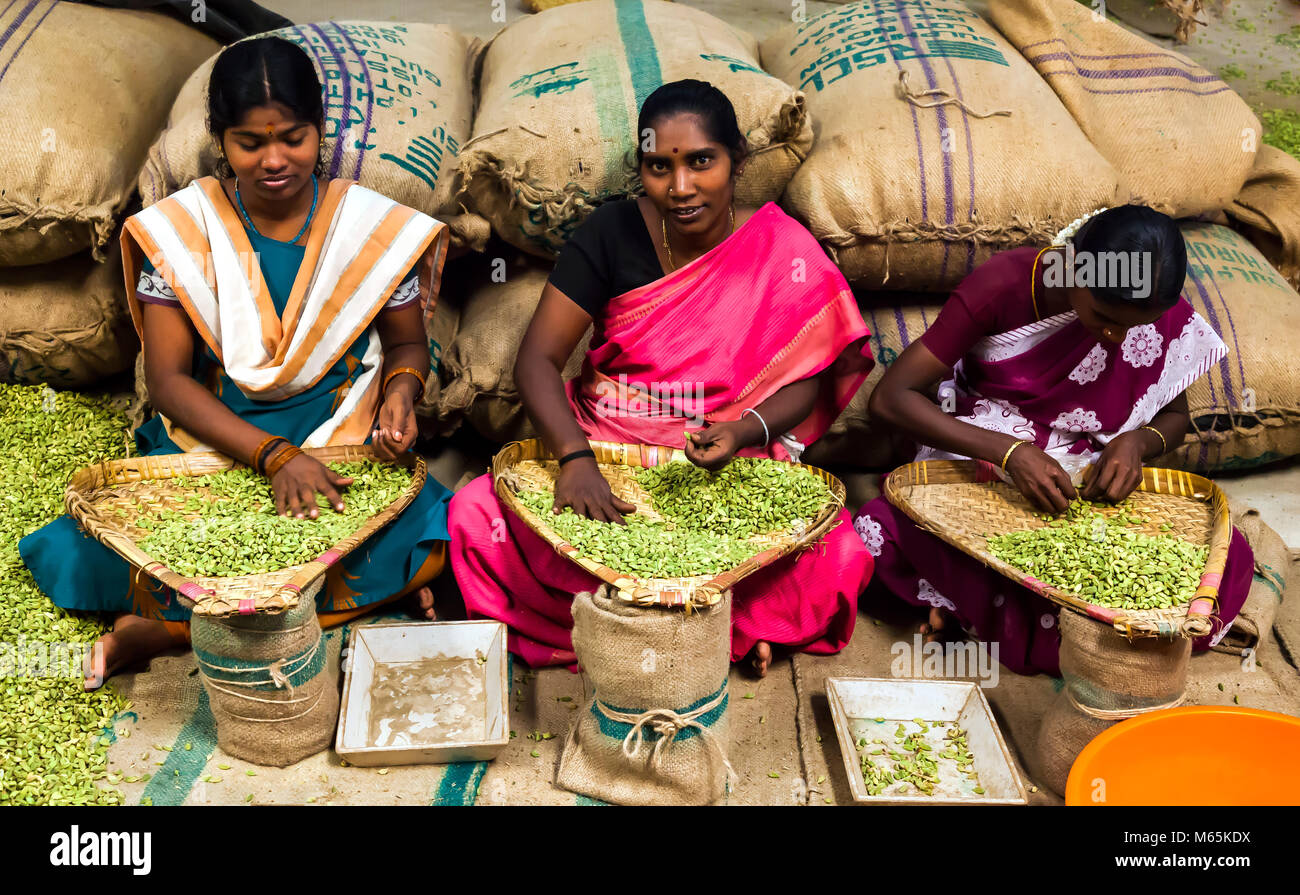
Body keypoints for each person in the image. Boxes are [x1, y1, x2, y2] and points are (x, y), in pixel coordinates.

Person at [20, 37, 454, 688]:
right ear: (221, 140)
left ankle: (165, 627)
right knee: (86, 551)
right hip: (214, 435)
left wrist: (400, 392)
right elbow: (168, 382)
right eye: (251, 143)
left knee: (439, 537)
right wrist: (274, 457)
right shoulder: (181, 231)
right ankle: (327, 605)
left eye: (294, 138)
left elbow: (407, 344)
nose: (274, 160)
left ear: (319, 131)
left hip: (336, 436)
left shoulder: (368, 230)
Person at [448, 80, 876, 677]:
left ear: (738, 161)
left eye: (702, 161)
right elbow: (536, 363)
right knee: (475, 514)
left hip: (724, 457)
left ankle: (624, 629)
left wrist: (744, 431)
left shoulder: (780, 245)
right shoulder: (609, 234)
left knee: (836, 553)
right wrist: (575, 460)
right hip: (611, 448)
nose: (681, 188)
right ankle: (711, 632)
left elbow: (805, 378)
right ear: (641, 169)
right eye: (659, 167)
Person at [854, 205, 1254, 675]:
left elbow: (1175, 417)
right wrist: (1010, 452)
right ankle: (1018, 619)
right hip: (984, 444)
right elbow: (890, 398)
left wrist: (1136, 444)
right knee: (884, 531)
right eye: (1104, 316)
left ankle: (975, 614)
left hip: (1087, 466)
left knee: (1222, 560)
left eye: (1131, 327)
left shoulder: (1155, 311)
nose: (1114, 335)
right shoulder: (1004, 285)